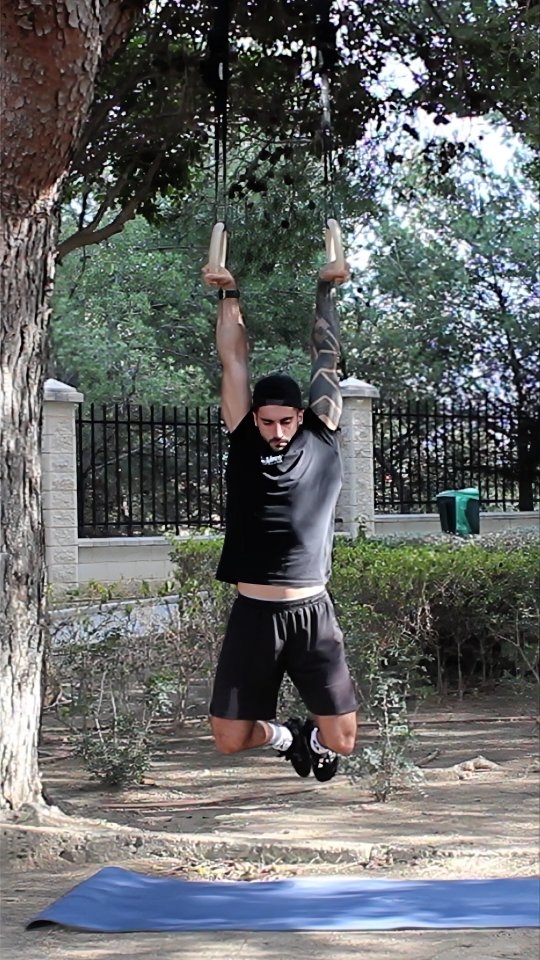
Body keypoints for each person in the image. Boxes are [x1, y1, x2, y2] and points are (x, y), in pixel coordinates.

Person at [201, 253, 358, 782]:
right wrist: (228, 294)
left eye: (285, 420)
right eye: (267, 420)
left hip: (312, 611)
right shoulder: (244, 438)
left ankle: (315, 737)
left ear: (302, 415)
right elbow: (233, 361)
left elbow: (326, 359)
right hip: (254, 614)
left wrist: (326, 289)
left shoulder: (322, 432)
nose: (276, 429)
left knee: (343, 740)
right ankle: (288, 737)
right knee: (230, 740)